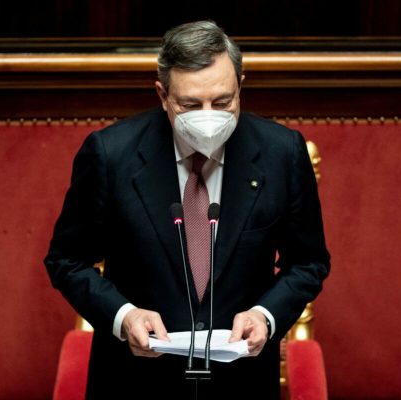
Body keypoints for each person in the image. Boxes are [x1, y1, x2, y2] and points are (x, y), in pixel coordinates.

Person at [44, 20, 330, 399]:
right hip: (135, 381)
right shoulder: (111, 155)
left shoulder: (282, 153)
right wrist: (123, 315)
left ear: (241, 86)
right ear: (163, 95)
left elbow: (308, 263)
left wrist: (265, 315)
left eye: (224, 101)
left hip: (241, 382)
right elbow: (66, 261)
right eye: (191, 104)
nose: (209, 116)